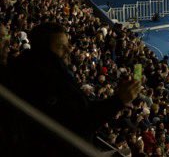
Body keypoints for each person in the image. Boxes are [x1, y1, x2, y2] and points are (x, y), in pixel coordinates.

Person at [7, 22, 141, 138]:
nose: (68, 50)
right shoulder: (51, 79)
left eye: (68, 44)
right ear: (44, 49)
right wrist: (119, 100)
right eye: (61, 46)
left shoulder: (23, 64)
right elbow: (84, 121)